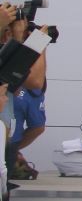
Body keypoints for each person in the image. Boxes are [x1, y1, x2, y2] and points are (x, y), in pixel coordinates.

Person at [2, 18, 48, 183]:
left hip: (7, 143)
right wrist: (39, 42)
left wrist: (13, 148)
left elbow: (34, 81)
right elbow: (34, 80)